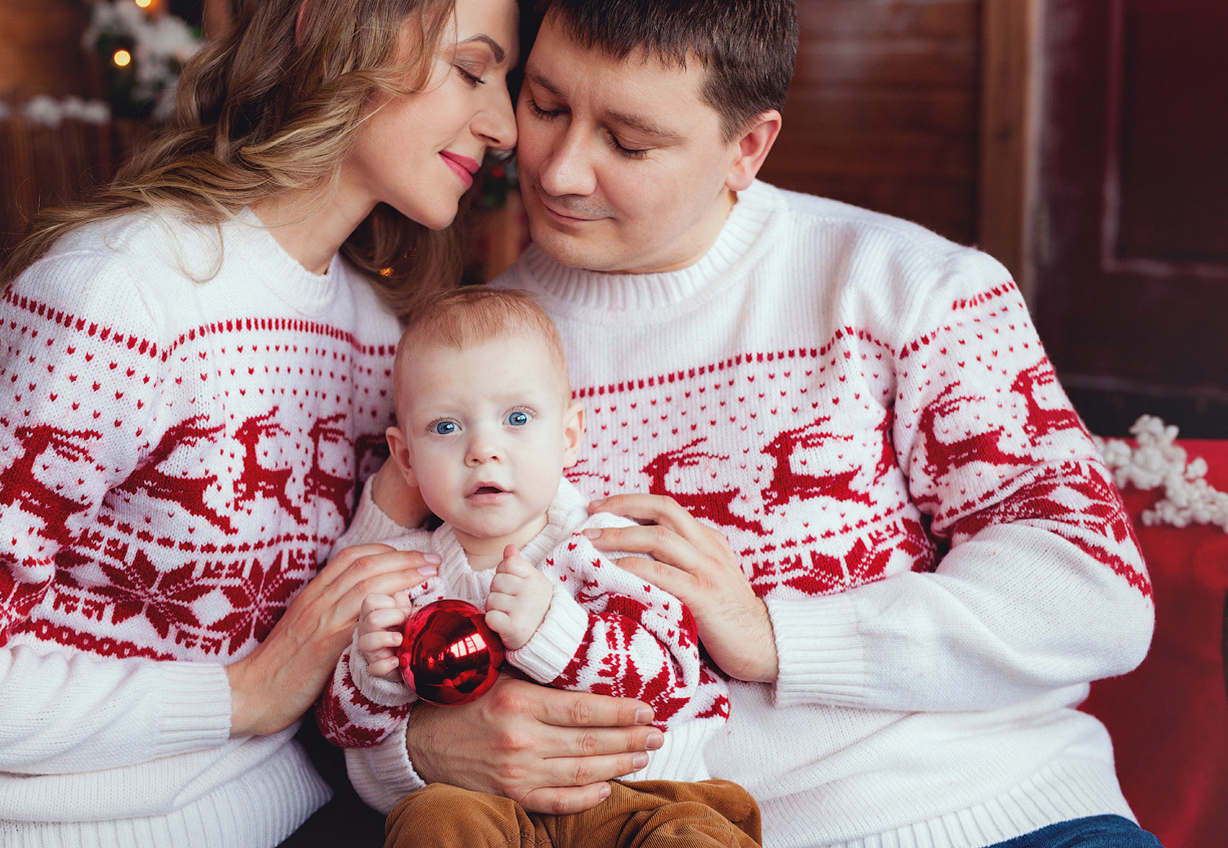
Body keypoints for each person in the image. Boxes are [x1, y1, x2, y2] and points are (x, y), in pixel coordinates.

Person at [338, 1, 1163, 846]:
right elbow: (371, 653)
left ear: (748, 147)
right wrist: (420, 751)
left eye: (628, 142)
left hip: (1000, 810)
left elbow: (1092, 593)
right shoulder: (466, 362)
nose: (558, 172)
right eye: (545, 105)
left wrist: (775, 635)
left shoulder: (905, 286)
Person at [0, 0, 520, 845]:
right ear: (339, 28)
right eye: (471, 69)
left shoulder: (377, 334)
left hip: (298, 817)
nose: (505, 125)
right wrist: (241, 695)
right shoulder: (122, 297)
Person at [317, 287, 762, 847]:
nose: (483, 449)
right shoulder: (408, 580)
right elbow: (338, 729)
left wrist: (556, 633)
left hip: (641, 798)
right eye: (446, 427)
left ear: (569, 435)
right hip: (485, 808)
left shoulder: (604, 549)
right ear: (405, 458)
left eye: (517, 417)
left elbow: (672, 681)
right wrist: (372, 673)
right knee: (435, 823)